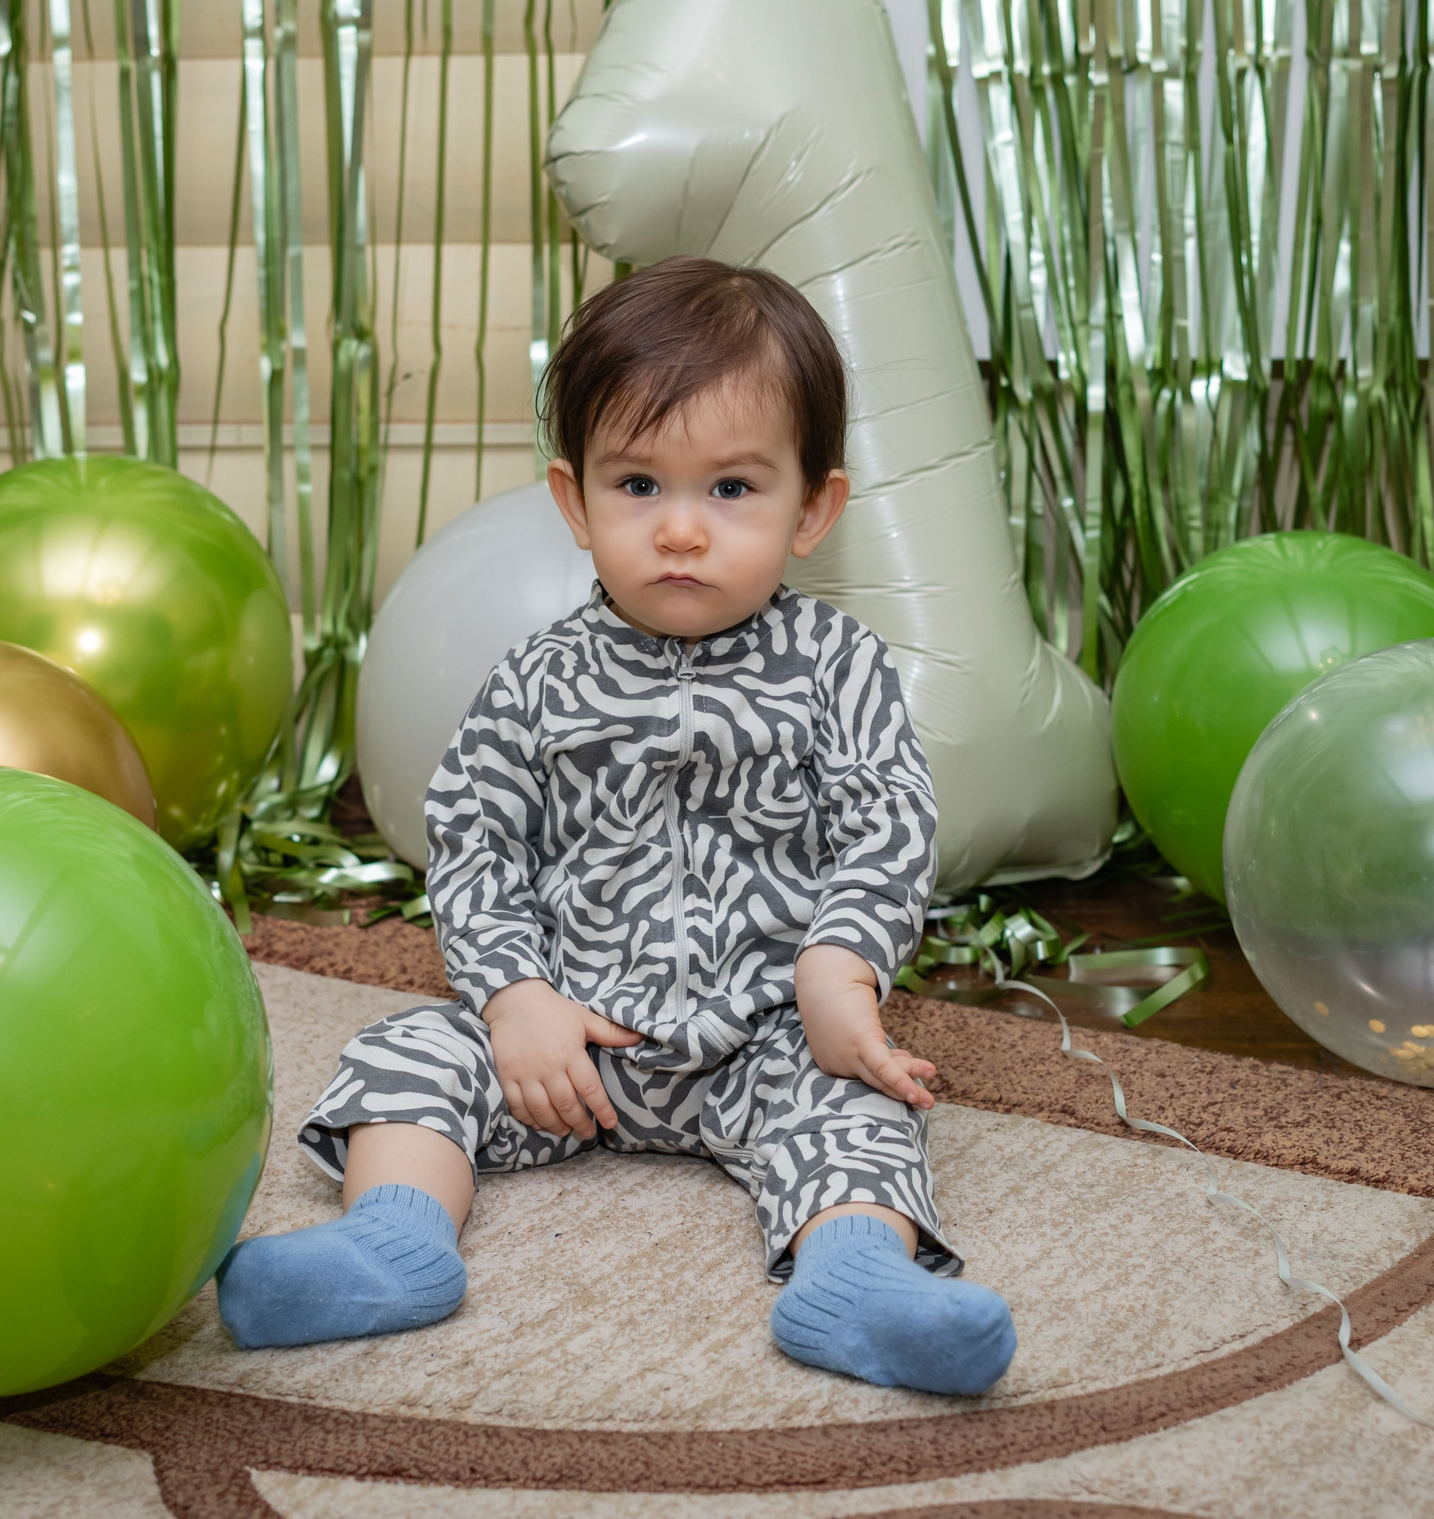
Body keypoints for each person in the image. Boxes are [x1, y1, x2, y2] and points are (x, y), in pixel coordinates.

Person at [215, 256, 1017, 1395]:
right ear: (573, 502)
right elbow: (475, 841)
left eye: (732, 489)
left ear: (813, 509)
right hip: (572, 1044)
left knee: (858, 1108)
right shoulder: (539, 679)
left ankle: (850, 1277)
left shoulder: (837, 669)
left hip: (768, 1038)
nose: (682, 530)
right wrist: (513, 999)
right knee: (405, 1054)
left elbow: (885, 824)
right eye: (639, 485)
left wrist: (841, 973)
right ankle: (395, 1240)